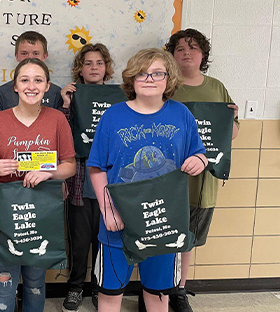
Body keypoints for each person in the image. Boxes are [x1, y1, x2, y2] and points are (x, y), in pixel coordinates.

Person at [87, 48, 208, 312]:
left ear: (169, 78)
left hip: (164, 220)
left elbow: (199, 153)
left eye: (157, 73)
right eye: (142, 73)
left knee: (157, 295)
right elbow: (96, 167)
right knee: (110, 294)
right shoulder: (113, 116)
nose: (149, 78)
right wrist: (108, 211)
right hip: (118, 220)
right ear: (131, 79)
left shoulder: (181, 114)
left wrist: (200, 160)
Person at [0, 58, 76, 312]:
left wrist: (48, 172)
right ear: (15, 86)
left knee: (34, 282)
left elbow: (70, 166)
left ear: (47, 86)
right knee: (4, 282)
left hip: (41, 215)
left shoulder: (57, 119)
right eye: (25, 80)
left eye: (38, 80)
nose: (31, 86)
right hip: (4, 216)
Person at [165, 28, 240, 312]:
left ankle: (179, 289)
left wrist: (228, 119)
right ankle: (158, 287)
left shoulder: (217, 88)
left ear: (203, 55)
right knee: (159, 230)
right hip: (167, 176)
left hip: (202, 181)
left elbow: (230, 134)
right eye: (180, 47)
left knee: (187, 239)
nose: (186, 52)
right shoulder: (165, 85)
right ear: (172, 54)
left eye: (193, 48)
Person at [59, 43, 115, 312]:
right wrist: (68, 105)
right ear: (80, 69)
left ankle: (98, 287)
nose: (94, 68)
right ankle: (75, 287)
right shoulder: (72, 97)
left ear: (107, 68)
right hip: (80, 181)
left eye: (99, 63)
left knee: (103, 240)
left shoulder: (120, 98)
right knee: (80, 240)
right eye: (88, 63)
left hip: (110, 182)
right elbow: (63, 137)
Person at [0, 31, 63, 112]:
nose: (30, 57)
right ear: (17, 56)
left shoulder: (56, 93)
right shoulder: (2, 93)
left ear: (44, 56)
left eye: (36, 53)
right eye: (24, 53)